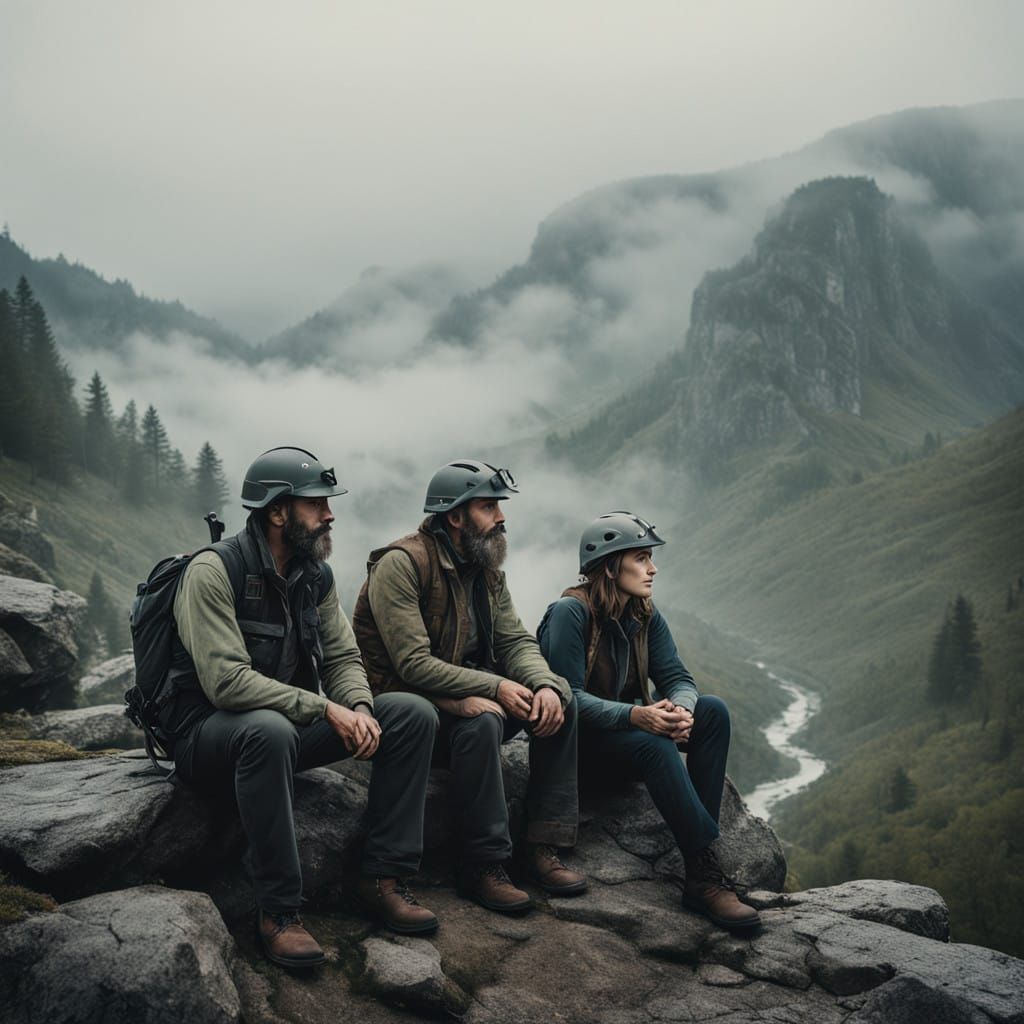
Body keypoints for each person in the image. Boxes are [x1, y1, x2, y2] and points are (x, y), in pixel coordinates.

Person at [167, 446, 440, 969]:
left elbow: (342, 655)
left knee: (408, 712)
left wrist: (358, 705)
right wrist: (324, 709)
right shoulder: (213, 571)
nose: (330, 514)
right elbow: (227, 684)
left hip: (283, 731)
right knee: (268, 730)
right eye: (317, 504)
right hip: (206, 737)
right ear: (276, 512)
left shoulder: (314, 575)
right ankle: (279, 912)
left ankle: (381, 877)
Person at [352, 459, 586, 912]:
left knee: (561, 698)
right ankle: (479, 866)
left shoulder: (486, 570)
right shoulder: (401, 564)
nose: (501, 516)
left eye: (499, 505)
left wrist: (542, 685)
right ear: (454, 516)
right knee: (480, 723)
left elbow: (514, 640)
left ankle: (541, 847)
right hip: (404, 709)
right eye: (488, 505)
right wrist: (496, 688)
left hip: (465, 700)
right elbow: (412, 663)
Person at [537, 511, 760, 931]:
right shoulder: (570, 613)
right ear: (609, 566)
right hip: (582, 749)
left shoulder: (644, 614)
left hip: (626, 736)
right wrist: (637, 715)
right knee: (654, 743)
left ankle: (699, 856)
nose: (653, 569)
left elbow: (678, 678)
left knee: (713, 711)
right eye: (641, 558)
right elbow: (566, 699)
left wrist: (681, 709)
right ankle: (704, 870)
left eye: (650, 558)